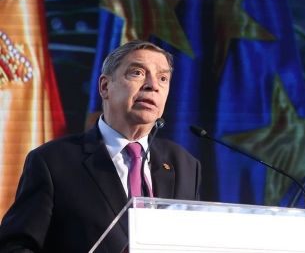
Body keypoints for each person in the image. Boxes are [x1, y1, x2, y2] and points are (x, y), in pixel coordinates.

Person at [0, 40, 201, 252]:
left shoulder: (185, 165)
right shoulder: (52, 162)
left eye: (163, 78)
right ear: (105, 87)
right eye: (137, 73)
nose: (153, 85)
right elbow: (15, 246)